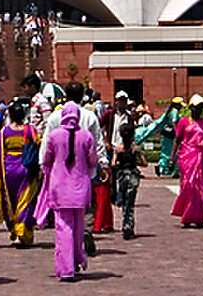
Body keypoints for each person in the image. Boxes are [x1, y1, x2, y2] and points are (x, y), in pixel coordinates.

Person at [40, 82, 109, 255]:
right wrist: (104, 164)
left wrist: (43, 167)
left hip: (60, 171)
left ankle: (67, 242)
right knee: (87, 203)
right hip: (84, 170)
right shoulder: (90, 116)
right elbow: (98, 143)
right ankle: (85, 230)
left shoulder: (56, 117)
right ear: (83, 96)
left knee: (63, 213)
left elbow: (46, 143)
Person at [36, 102, 97, 282]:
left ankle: (66, 268)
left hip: (60, 187)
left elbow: (47, 159)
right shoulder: (86, 136)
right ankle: (77, 260)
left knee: (63, 227)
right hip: (80, 187)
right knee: (78, 228)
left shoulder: (54, 136)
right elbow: (93, 160)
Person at [0, 101, 40, 246]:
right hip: (27, 170)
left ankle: (15, 232)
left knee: (10, 202)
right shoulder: (31, 131)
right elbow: (38, 148)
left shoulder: (3, 133)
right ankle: (23, 233)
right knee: (26, 203)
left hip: (8, 171)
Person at [170, 93, 203, 227]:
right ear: (190, 108)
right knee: (188, 186)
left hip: (202, 157)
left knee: (201, 187)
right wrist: (172, 157)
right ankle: (187, 215)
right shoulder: (184, 122)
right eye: (195, 107)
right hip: (187, 157)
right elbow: (177, 140)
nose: (197, 110)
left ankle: (199, 217)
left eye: (200, 108)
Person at [112, 123, 147, 239]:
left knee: (123, 202)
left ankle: (125, 223)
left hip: (122, 175)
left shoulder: (118, 149)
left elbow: (113, 163)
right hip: (132, 175)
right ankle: (129, 225)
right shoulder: (135, 149)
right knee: (130, 202)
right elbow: (145, 163)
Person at [135, 96, 183, 177]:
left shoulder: (170, 111)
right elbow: (174, 122)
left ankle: (164, 168)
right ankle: (163, 168)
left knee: (166, 152)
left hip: (167, 134)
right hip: (171, 135)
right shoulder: (174, 111)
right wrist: (177, 132)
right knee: (169, 152)